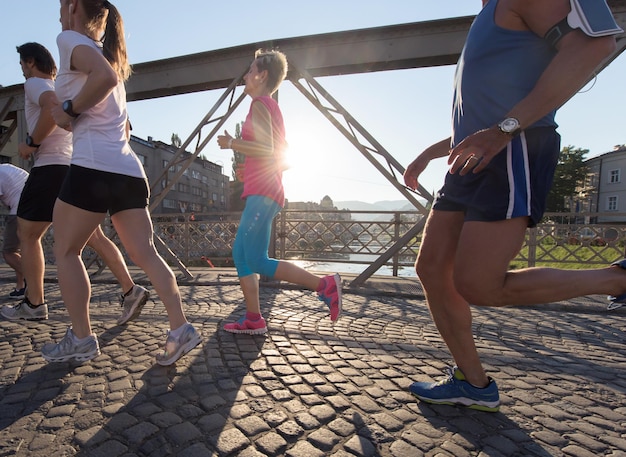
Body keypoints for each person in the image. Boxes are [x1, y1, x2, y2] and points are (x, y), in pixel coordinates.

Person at [402, 0, 622, 412]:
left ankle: (617, 280)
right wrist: (430, 153)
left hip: (512, 148)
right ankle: (473, 383)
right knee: (431, 269)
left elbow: (595, 45)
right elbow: (482, 114)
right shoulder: (488, 10)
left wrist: (505, 131)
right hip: (475, 155)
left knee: (479, 284)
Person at [43, 0, 201, 364]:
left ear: (73, 7)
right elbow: (113, 113)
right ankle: (181, 329)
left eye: (60, 6)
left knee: (66, 251)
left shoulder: (68, 39)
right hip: (128, 170)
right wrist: (69, 115)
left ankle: (81, 339)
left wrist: (66, 110)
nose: (58, 14)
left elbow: (103, 82)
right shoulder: (105, 54)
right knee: (146, 254)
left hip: (92, 167)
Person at [0, 42, 149, 324]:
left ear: (30, 63)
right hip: (73, 167)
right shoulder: (62, 85)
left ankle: (34, 304)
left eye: (22, 64)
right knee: (94, 237)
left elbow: (50, 108)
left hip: (48, 168)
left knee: (28, 235)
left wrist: (31, 142)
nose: (21, 70)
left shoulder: (36, 84)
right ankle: (131, 290)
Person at [217, 49, 342, 335]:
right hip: (266, 189)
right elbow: (279, 157)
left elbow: (266, 148)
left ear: (261, 76)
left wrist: (232, 143)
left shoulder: (259, 104)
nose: (246, 76)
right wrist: (248, 171)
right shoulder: (269, 106)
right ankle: (254, 318)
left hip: (263, 192)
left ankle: (324, 286)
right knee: (254, 258)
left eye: (250, 71)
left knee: (244, 255)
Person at [0, 163, 28, 298]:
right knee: (18, 252)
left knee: (9, 252)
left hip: (19, 210)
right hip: (34, 208)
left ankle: (33, 283)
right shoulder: (6, 168)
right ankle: (21, 287)